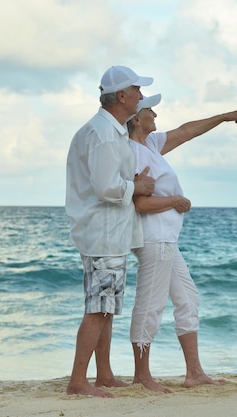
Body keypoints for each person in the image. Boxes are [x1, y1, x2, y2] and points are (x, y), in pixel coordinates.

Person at [126, 94, 237, 393]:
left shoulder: (152, 145)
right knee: (150, 305)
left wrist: (222, 117)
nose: (155, 114)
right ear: (135, 118)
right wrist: (175, 201)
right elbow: (139, 203)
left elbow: (186, 130)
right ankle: (141, 376)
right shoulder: (130, 152)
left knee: (187, 298)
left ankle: (194, 372)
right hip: (152, 236)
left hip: (167, 237)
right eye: (149, 110)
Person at [65, 65, 156, 398]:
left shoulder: (109, 130)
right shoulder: (103, 133)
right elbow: (105, 187)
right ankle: (78, 381)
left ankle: (102, 374)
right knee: (99, 307)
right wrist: (137, 185)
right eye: (137, 90)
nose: (141, 96)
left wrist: (133, 185)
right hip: (103, 231)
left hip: (109, 231)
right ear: (122, 96)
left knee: (106, 306)